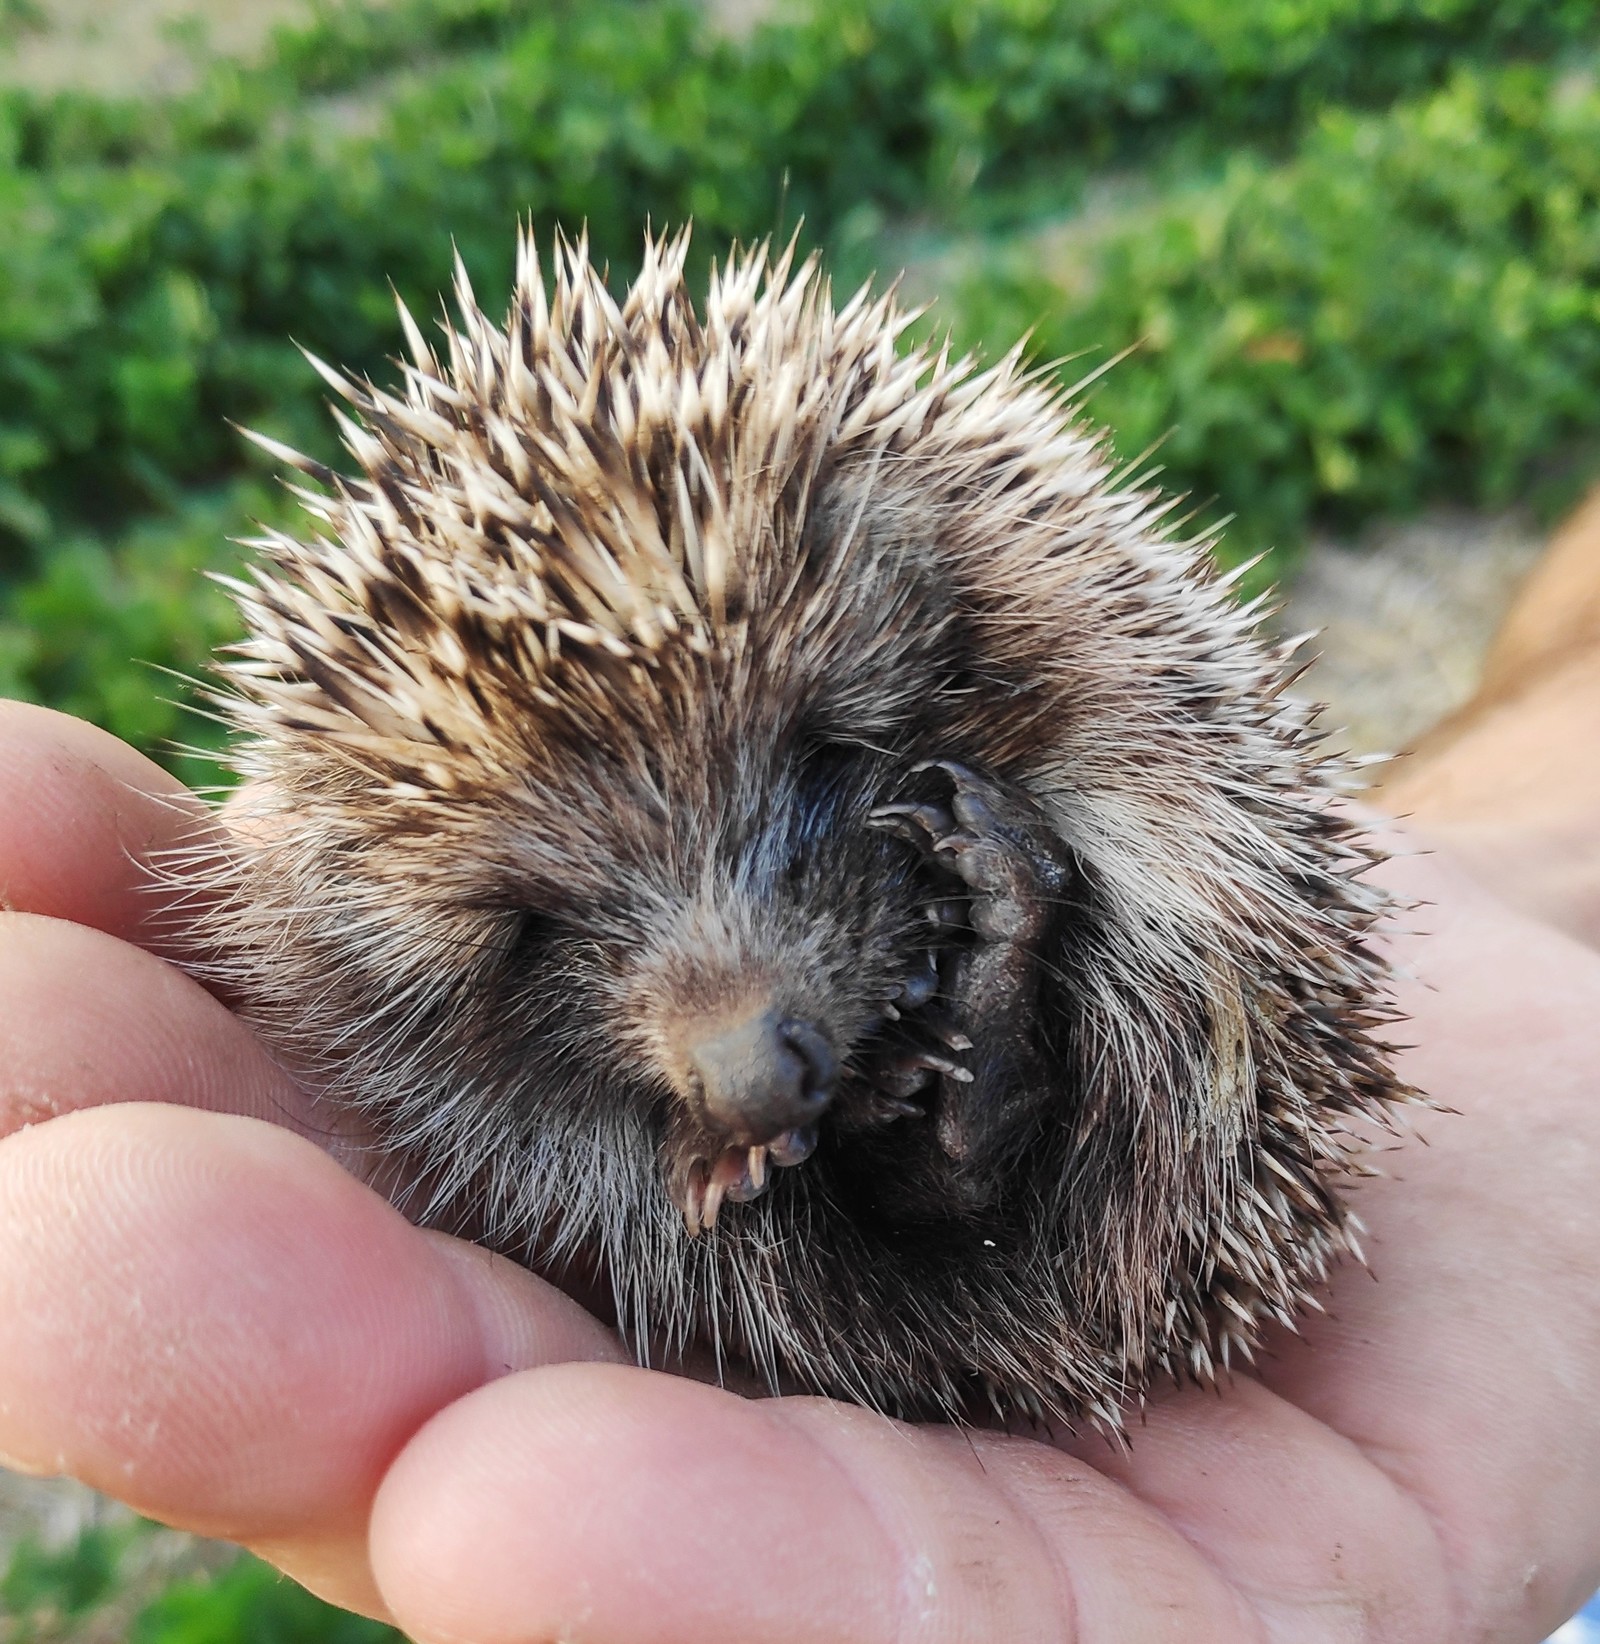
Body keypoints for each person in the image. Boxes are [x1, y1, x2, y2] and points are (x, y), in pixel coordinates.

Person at [0, 509, 1597, 1640]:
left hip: (1149, 1127)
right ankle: (940, 1173)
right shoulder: (384, 963)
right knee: (692, 1211)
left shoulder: (984, 595)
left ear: (907, 588)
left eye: (818, 765)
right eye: (549, 927)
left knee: (1169, 934)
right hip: (892, 1281)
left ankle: (993, 1085)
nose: (740, 1032)